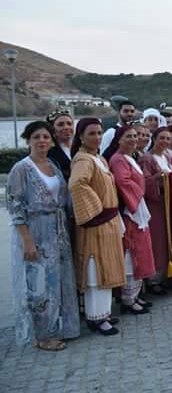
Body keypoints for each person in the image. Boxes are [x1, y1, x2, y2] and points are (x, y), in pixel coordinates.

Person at [7, 121, 80, 349]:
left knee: (62, 280)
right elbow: (15, 207)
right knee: (40, 285)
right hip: (36, 231)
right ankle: (43, 335)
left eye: (46, 137)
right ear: (28, 140)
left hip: (59, 231)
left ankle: (65, 327)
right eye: (36, 137)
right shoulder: (21, 169)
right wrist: (27, 241)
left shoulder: (53, 165)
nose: (42, 141)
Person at [69, 118, 125, 335]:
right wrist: (95, 210)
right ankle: (96, 317)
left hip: (108, 220)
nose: (97, 137)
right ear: (81, 137)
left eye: (100, 133)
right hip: (96, 223)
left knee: (107, 266)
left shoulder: (99, 158)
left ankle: (103, 313)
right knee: (96, 270)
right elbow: (77, 183)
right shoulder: (83, 160)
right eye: (91, 133)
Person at [108, 126, 155, 314]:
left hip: (137, 205)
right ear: (119, 139)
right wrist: (139, 193)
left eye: (135, 136)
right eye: (129, 136)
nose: (134, 139)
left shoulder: (130, 157)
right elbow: (123, 182)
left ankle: (135, 295)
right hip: (130, 210)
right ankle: (127, 299)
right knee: (131, 253)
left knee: (141, 251)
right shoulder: (118, 159)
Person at [139, 127, 172, 295]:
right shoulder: (147, 159)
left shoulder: (169, 157)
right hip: (155, 204)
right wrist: (159, 177)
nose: (165, 142)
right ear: (154, 139)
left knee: (168, 238)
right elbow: (144, 182)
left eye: (168, 139)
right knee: (157, 240)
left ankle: (167, 275)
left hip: (168, 203)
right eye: (162, 138)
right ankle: (154, 279)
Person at [46, 109, 74, 181]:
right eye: (60, 125)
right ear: (52, 129)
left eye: (69, 124)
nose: (66, 127)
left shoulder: (81, 147)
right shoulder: (49, 153)